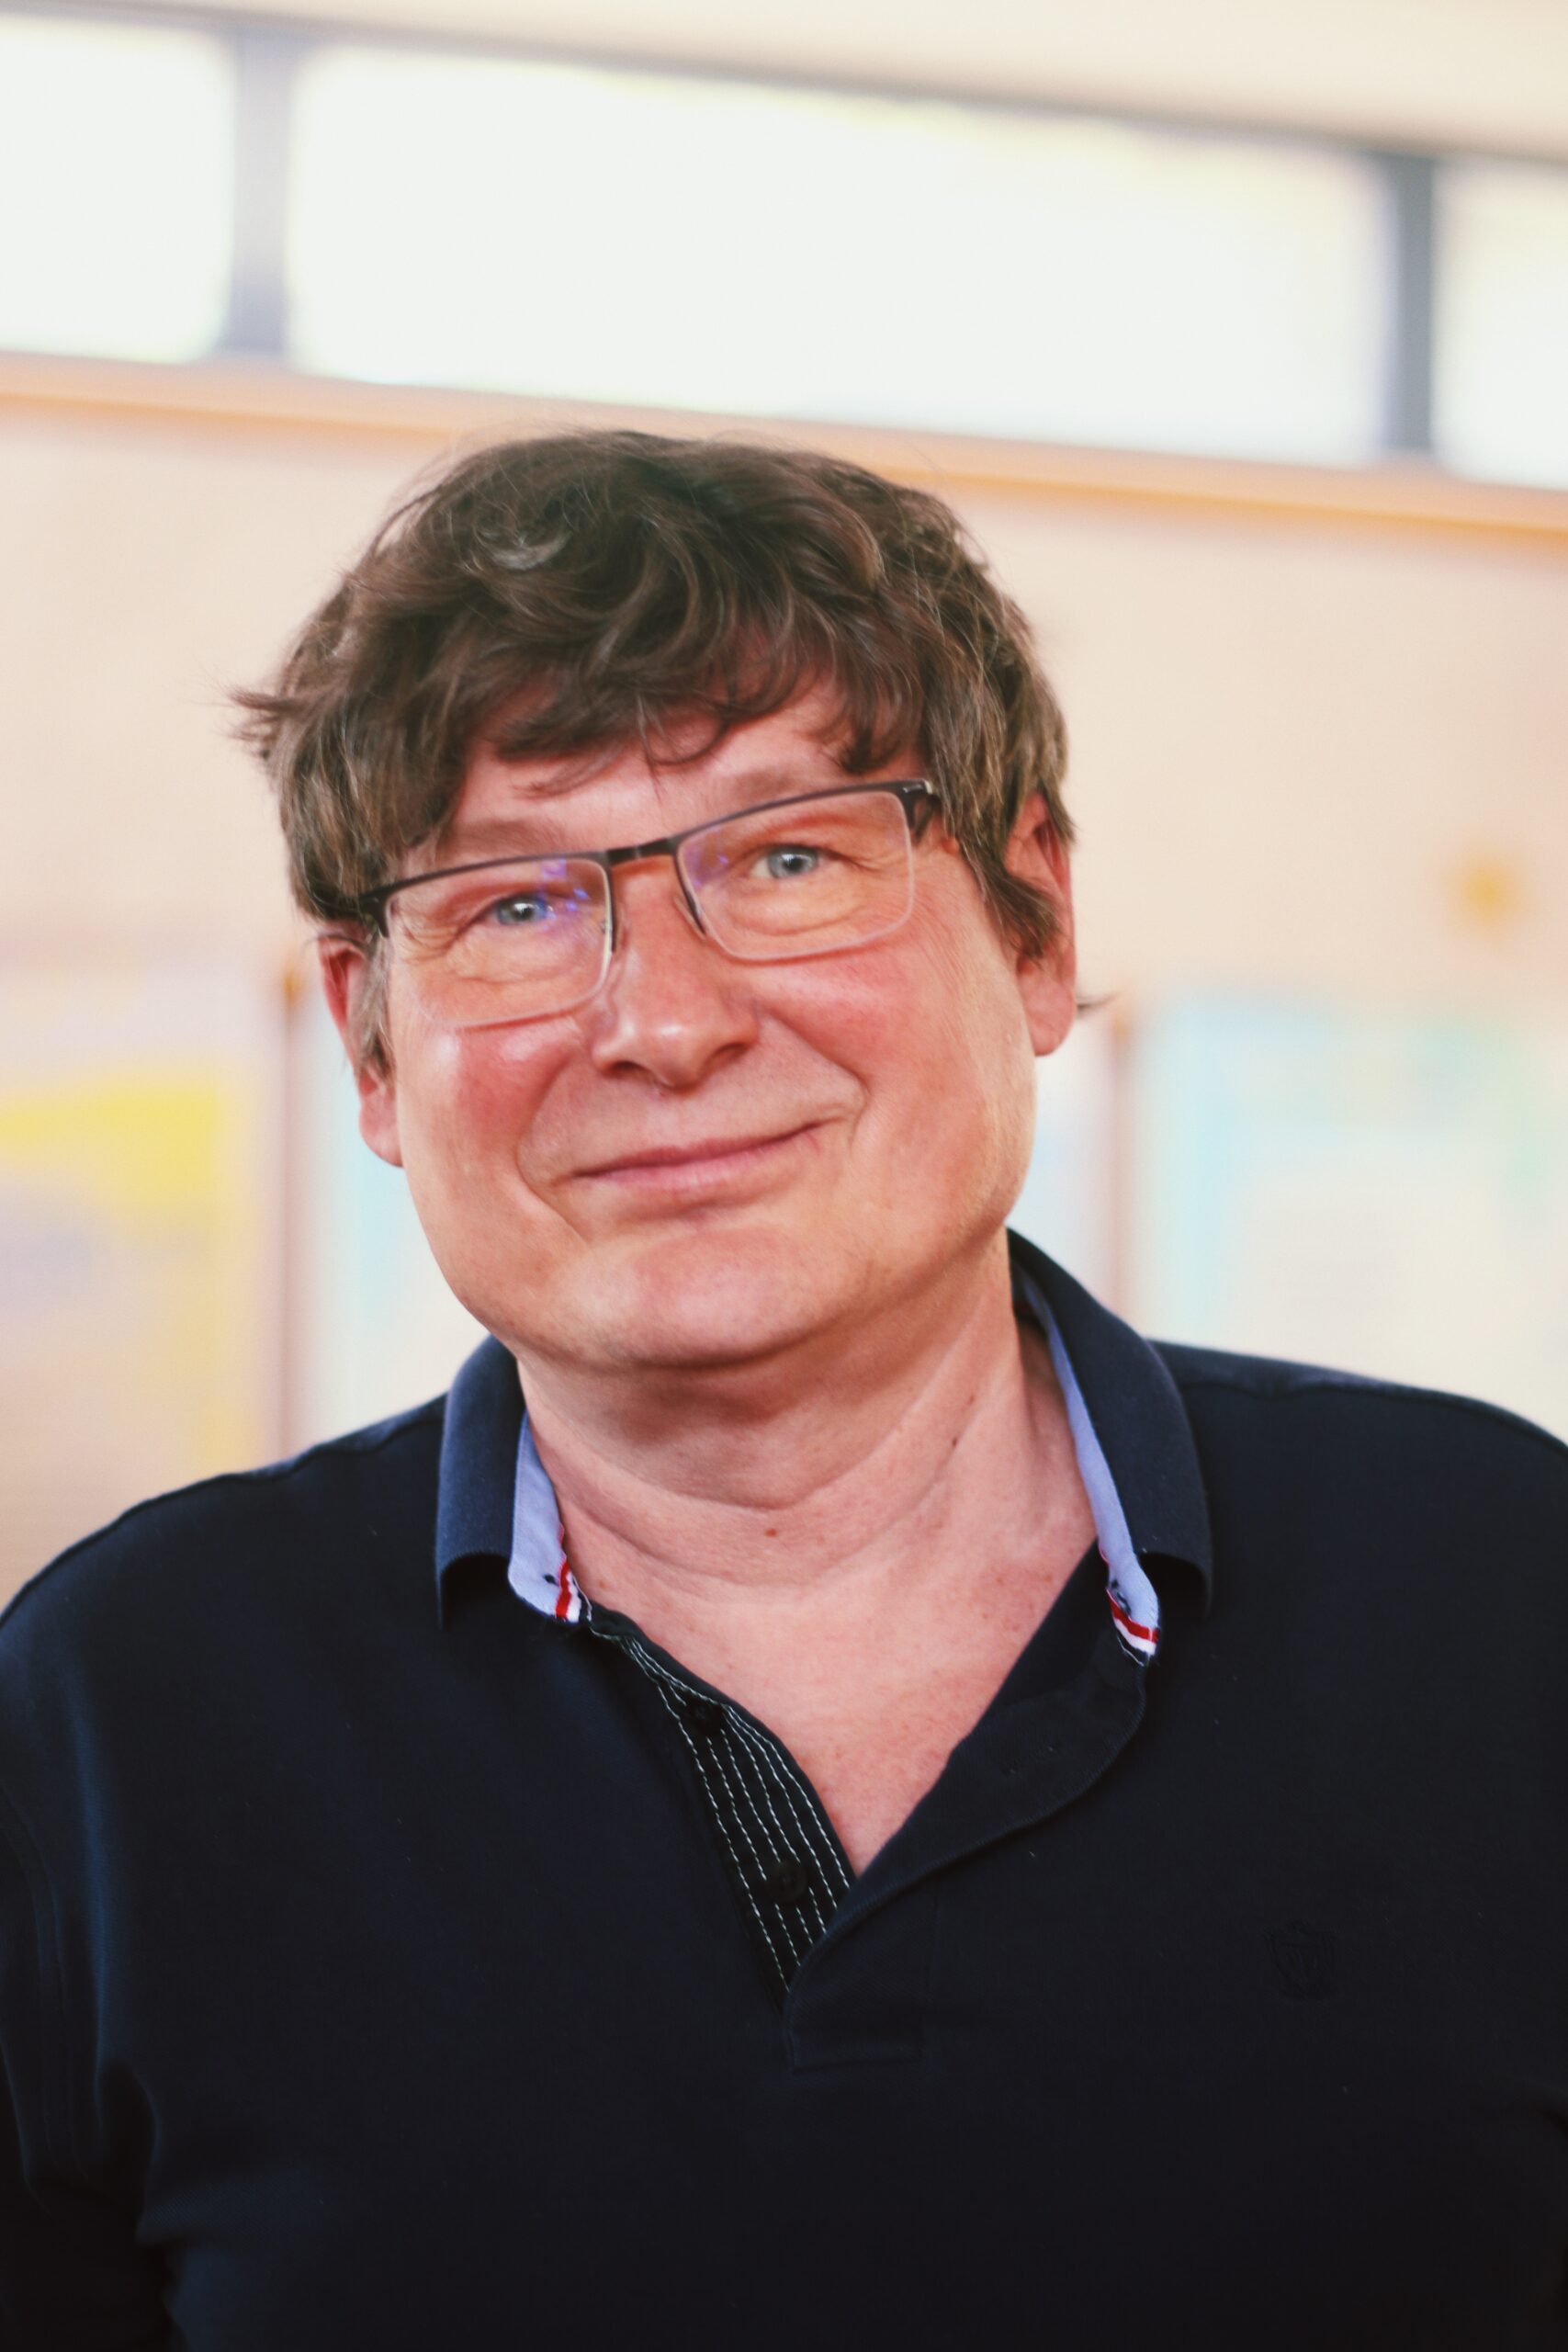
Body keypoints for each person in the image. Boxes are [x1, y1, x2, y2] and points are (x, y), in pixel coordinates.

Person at [2, 431, 1565, 2352]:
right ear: (372, 1044)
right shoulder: (114, 1712)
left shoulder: (1503, 1591)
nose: (662, 1020)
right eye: (515, 904)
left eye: (792, 857)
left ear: (1036, 925)